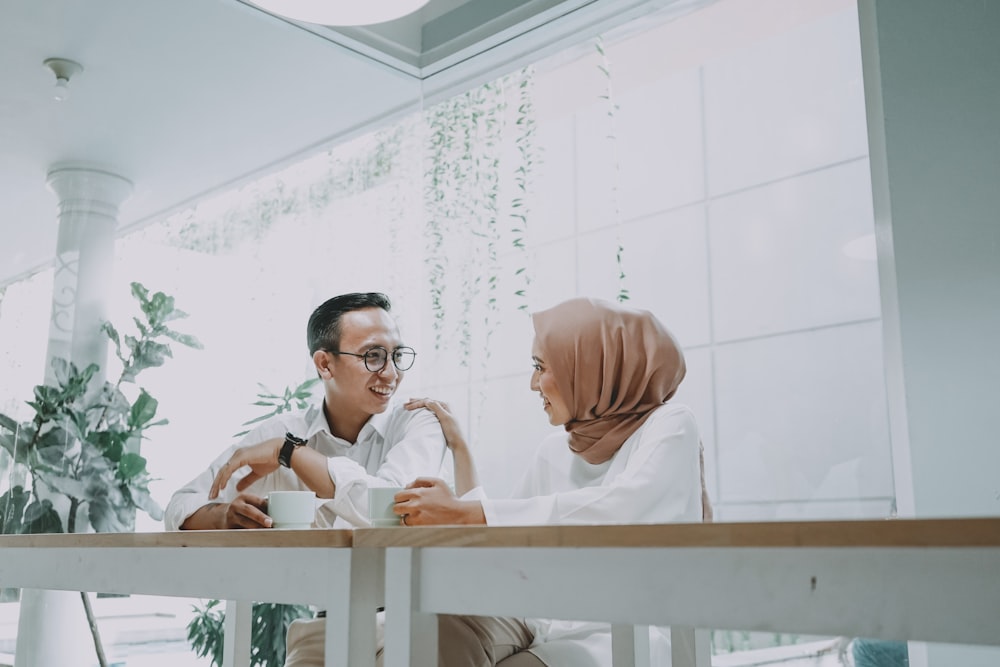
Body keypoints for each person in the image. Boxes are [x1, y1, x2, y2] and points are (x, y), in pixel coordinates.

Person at [398, 296, 712, 667]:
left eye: (541, 366)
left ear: (590, 367)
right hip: (548, 622)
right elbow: (500, 542)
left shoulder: (671, 425)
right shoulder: (555, 450)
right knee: (435, 633)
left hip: (636, 631)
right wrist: (459, 448)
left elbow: (623, 511)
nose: (533, 384)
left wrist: (463, 513)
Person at [163, 291, 447, 666]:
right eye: (373, 356)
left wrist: (290, 454)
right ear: (324, 364)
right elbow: (181, 504)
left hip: (420, 618)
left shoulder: (419, 421)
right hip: (328, 625)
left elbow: (388, 506)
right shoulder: (285, 429)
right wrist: (223, 516)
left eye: (396, 355)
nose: (391, 373)